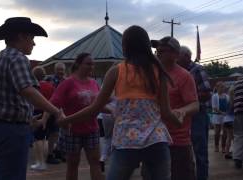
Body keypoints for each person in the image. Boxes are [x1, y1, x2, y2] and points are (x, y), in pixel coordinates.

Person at [58, 26, 181, 180]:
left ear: (125, 46)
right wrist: (179, 120)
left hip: (126, 142)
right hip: (156, 141)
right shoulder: (158, 71)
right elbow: (167, 113)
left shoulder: (117, 71)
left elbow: (94, 109)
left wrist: (66, 120)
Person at [0, 17, 63, 180]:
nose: (33, 43)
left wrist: (27, 118)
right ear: (21, 36)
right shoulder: (17, 58)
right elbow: (27, 90)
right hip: (9, 132)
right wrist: (55, 111)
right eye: (32, 38)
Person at [151, 36, 199, 180]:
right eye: (157, 49)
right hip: (153, 139)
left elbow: (195, 104)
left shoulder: (184, 76)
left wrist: (181, 111)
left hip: (177, 141)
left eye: (163, 50)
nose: (158, 52)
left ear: (175, 55)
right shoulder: (151, 73)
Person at [49, 53, 103, 180]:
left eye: (93, 64)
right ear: (78, 64)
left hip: (92, 129)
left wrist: (113, 110)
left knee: (95, 163)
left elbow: (98, 105)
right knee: (73, 165)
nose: (92, 67)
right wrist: (52, 118)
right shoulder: (68, 83)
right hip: (72, 131)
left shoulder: (94, 84)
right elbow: (53, 103)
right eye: (88, 64)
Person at [178, 46, 211, 180]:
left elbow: (207, 93)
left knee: (200, 152)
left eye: (177, 56)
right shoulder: (177, 71)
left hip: (197, 115)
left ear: (186, 56)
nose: (175, 58)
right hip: (182, 115)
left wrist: (188, 98)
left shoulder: (197, 69)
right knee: (183, 150)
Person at [30, 66, 56, 170]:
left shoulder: (33, 86)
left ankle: (40, 162)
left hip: (37, 112)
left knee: (38, 138)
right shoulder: (51, 86)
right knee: (50, 135)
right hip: (50, 113)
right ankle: (49, 155)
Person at [211, 82, 228, 153]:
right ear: (217, 88)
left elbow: (228, 105)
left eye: (223, 87)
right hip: (217, 116)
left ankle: (223, 147)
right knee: (217, 132)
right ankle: (216, 146)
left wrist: (227, 113)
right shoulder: (214, 96)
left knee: (225, 132)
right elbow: (214, 108)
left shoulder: (227, 96)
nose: (222, 88)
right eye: (221, 87)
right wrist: (222, 113)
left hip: (225, 116)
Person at [223, 85, 234, 159]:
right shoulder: (234, 101)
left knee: (229, 137)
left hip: (226, 120)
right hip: (232, 120)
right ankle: (236, 152)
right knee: (235, 138)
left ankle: (227, 152)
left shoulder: (228, 100)